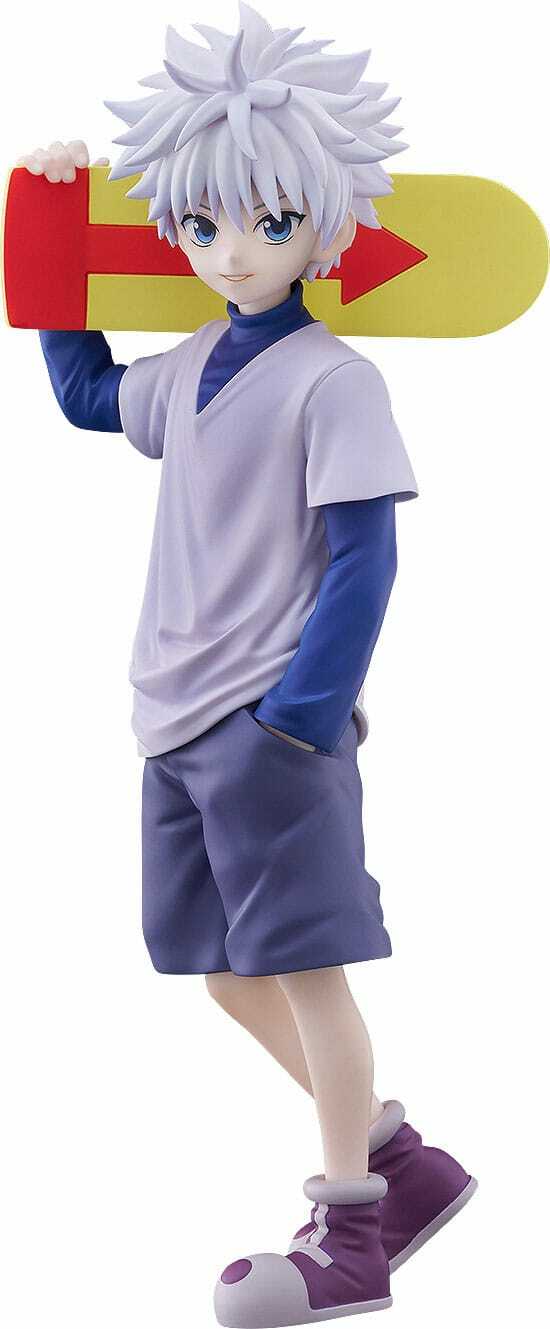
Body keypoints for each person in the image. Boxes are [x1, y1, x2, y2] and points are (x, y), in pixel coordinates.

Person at [19, 6, 476, 1324]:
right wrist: (51, 218)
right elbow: (88, 397)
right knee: (225, 971)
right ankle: (400, 1161)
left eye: (270, 223)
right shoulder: (191, 365)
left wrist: (299, 718)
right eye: (204, 224)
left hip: (267, 721)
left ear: (322, 229)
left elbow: (364, 562)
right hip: (171, 716)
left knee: (311, 969)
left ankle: (353, 1234)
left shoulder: (336, 381)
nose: (232, 252)